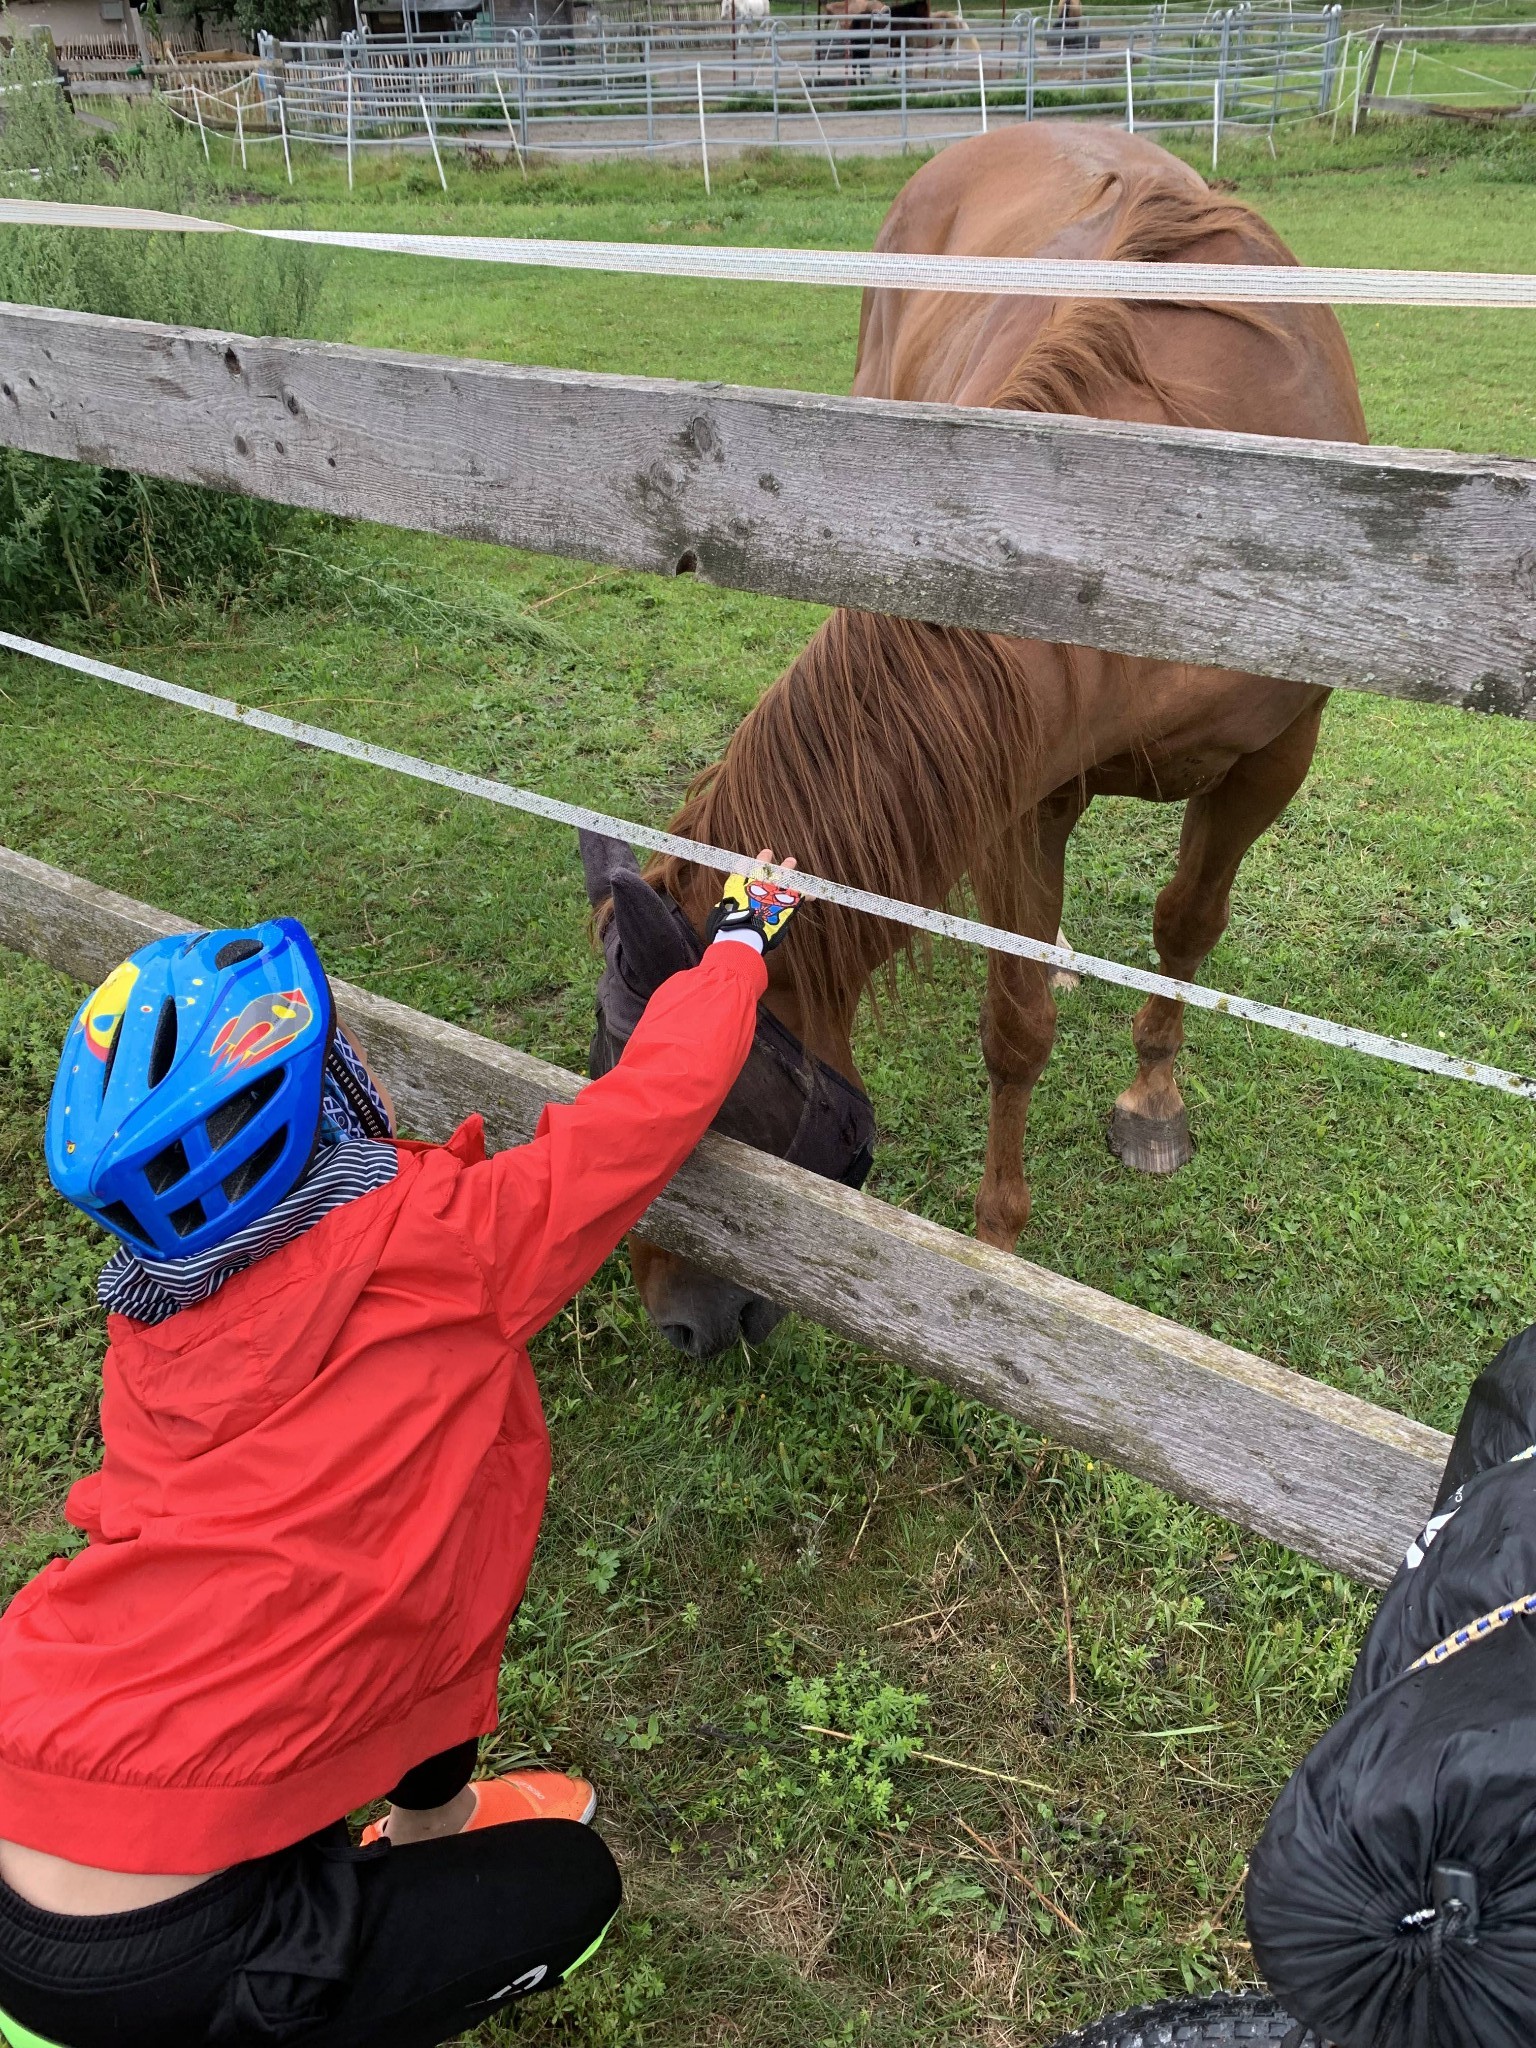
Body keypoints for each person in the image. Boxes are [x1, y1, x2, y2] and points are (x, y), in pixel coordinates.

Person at [0, 854, 800, 2048]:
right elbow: (645, 1110)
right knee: (570, 1891)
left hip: (36, 1769)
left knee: (363, 1592)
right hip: (163, 1955)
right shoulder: (447, 1244)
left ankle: (424, 1820)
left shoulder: (150, 1319)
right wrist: (741, 940)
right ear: (324, 1101)